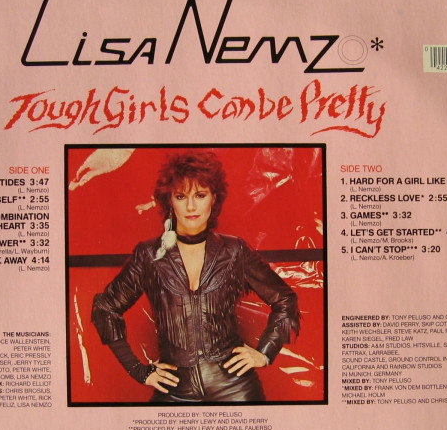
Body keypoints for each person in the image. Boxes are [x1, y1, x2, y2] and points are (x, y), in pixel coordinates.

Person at [91, 149, 299, 402]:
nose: (191, 206)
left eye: (200, 195)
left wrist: (265, 352)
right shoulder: (149, 255)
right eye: (181, 196)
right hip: (174, 390)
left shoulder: (235, 251)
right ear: (169, 201)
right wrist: (138, 370)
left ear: (214, 198)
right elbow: (105, 308)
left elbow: (285, 299)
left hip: (235, 388)